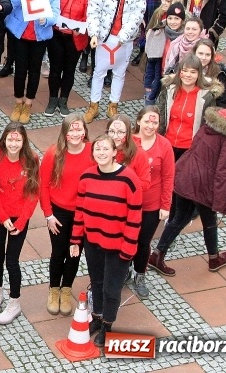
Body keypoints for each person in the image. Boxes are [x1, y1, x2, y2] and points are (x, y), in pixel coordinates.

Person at [150, 101, 226, 275]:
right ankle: (214, 259)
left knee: (179, 219)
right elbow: (224, 171)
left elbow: (194, 147)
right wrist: (219, 201)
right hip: (203, 185)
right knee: (209, 221)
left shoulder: (211, 123)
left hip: (186, 176)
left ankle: (157, 255)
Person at [69, 135, 142, 347]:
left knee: (112, 288)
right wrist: (75, 240)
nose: (101, 152)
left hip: (118, 246)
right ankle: (98, 316)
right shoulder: (86, 177)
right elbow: (80, 211)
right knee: (97, 283)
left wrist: (128, 248)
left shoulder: (129, 179)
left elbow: (135, 217)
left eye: (105, 149)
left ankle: (108, 325)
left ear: (114, 152)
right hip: (93, 242)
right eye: (97, 149)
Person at [39, 113, 94, 315]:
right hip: (59, 213)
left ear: (85, 132)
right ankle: (54, 290)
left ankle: (66, 289)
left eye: (79, 129)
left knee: (74, 253)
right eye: (72, 129)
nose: (76, 133)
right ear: (65, 132)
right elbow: (43, 185)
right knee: (58, 252)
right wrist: (48, 215)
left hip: (83, 213)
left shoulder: (91, 151)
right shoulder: (53, 153)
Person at [0, 123, 40, 325]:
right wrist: (2, 217)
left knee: (12, 260)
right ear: (4, 139)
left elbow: (33, 192)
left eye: (18, 139)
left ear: (24, 141)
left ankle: (14, 302)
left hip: (20, 219)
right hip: (0, 217)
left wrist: (23, 219)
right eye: (10, 139)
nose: (14, 143)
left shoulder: (32, 160)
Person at [84, 0, 146, 122]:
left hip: (124, 40)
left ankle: (113, 105)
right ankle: (94, 105)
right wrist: (94, 34)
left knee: (119, 73)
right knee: (99, 72)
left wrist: (124, 36)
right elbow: (93, 11)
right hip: (105, 37)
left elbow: (137, 15)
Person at [6, 0, 59, 123]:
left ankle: (28, 104)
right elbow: (13, 2)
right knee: (20, 70)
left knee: (34, 71)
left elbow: (55, 13)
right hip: (21, 34)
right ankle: (18, 102)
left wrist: (47, 20)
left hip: (39, 36)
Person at [130, 106, 174, 298]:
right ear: (139, 121)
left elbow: (168, 176)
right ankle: (124, 271)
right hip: (128, 202)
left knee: (143, 242)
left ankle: (139, 274)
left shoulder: (164, 145)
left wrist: (165, 205)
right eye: (147, 121)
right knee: (126, 239)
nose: (150, 125)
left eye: (154, 122)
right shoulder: (128, 141)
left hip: (151, 204)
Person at [156, 54, 221, 161]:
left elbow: (208, 126)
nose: (188, 75)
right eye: (185, 70)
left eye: (193, 72)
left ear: (199, 74)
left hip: (190, 149)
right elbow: (160, 116)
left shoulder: (206, 97)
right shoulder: (168, 91)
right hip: (167, 144)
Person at [46, 0, 90, 116]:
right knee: (55, 68)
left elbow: (89, 15)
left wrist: (82, 29)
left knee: (69, 70)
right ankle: (52, 99)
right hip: (57, 34)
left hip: (75, 37)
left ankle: (63, 100)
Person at [194, 38, 226, 108]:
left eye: (207, 55)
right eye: (200, 53)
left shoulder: (219, 74)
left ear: (212, 56)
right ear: (194, 53)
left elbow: (222, 103)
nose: (203, 57)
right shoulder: (185, 69)